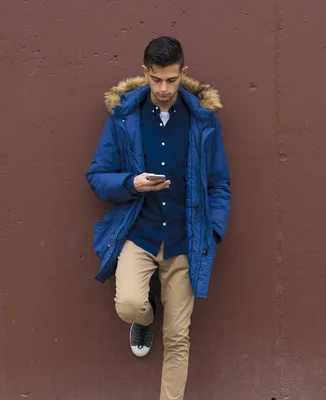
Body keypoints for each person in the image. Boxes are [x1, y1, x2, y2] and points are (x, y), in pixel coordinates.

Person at [85, 36, 231, 400]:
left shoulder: (203, 121)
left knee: (178, 337)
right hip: (140, 234)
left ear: (184, 73)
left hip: (186, 239)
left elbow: (219, 184)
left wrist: (212, 231)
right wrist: (130, 183)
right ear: (145, 73)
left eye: (171, 79)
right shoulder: (123, 118)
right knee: (129, 306)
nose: (163, 89)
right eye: (156, 79)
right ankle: (145, 318)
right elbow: (97, 176)